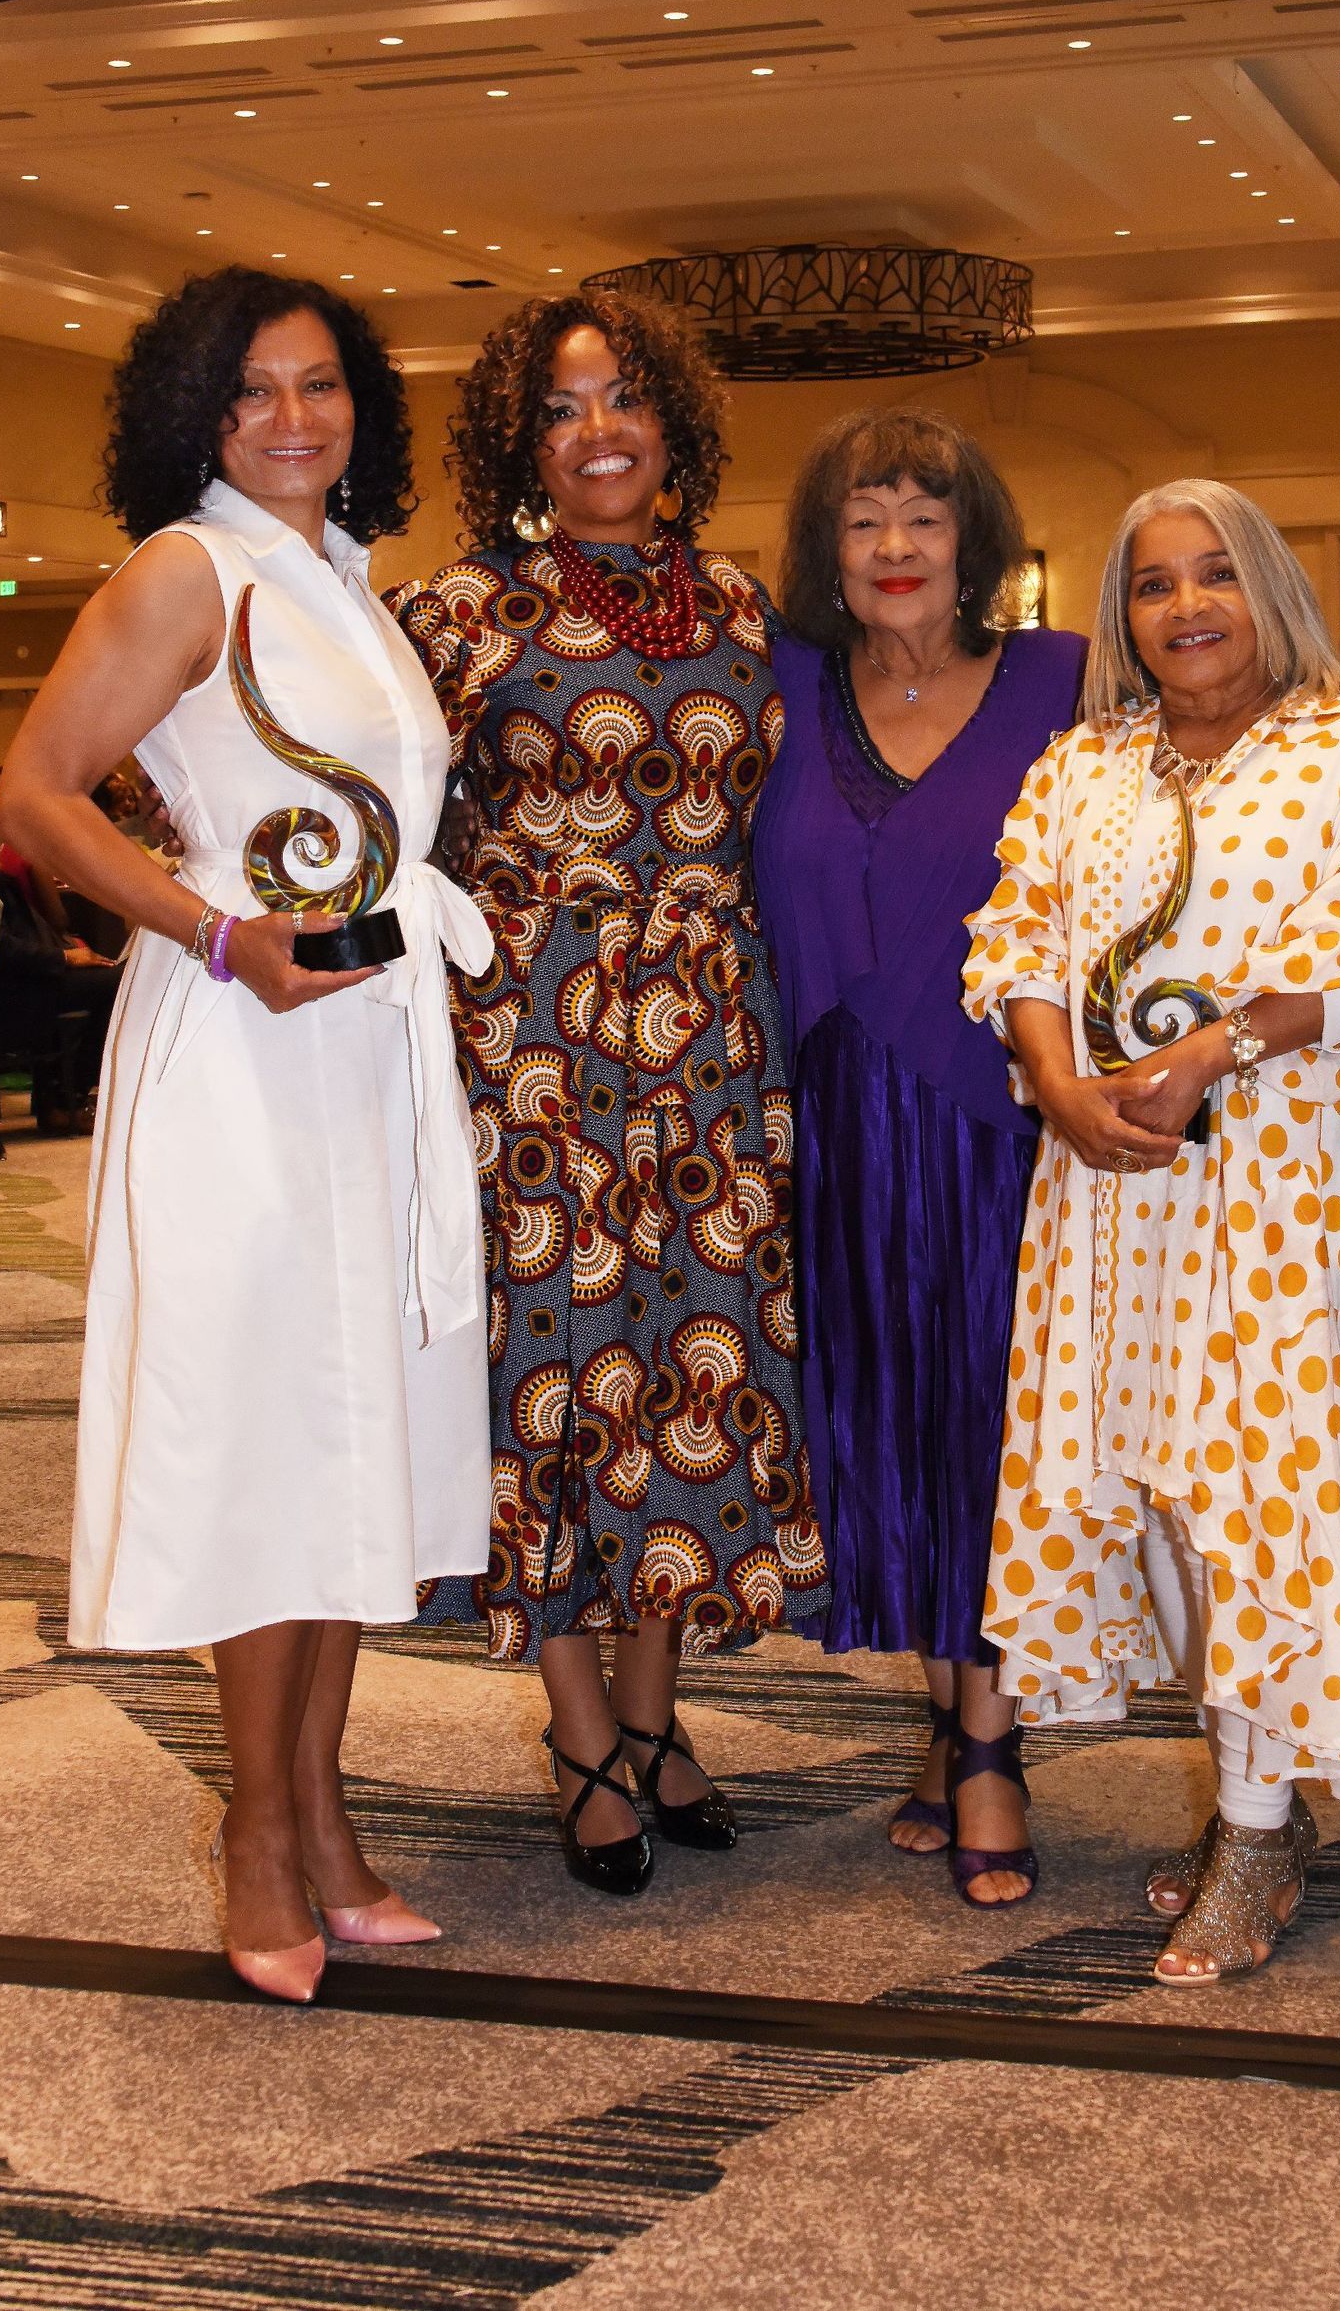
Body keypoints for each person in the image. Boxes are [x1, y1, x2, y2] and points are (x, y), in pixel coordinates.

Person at [0, 266, 490, 2004]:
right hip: (244, 1050)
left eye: (323, 384)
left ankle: (327, 1815)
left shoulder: (341, 574)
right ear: (197, 417)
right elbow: (36, 791)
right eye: (255, 393)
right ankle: (256, 1836)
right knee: (275, 1437)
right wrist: (214, 933)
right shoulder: (184, 566)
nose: (295, 417)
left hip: (363, 1044)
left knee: (360, 1435)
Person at [963, 478, 1340, 1984]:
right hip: (1108, 1186)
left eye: (1216, 578)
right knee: (1155, 1494)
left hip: (1280, 1178)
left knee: (1255, 1495)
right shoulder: (1083, 758)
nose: (1185, 608)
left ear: (1271, 593)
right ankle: (1263, 1794)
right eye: (1152, 584)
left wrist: (1201, 1057)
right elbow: (1017, 934)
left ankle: (1256, 1827)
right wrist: (1057, 1082)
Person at [394, 290, 827, 1897]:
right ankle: (580, 1730)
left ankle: (658, 1714)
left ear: (676, 425)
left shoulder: (734, 596)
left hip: (714, 1039)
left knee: (690, 1372)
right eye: (566, 406)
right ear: (523, 438)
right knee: (562, 1377)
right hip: (540, 1047)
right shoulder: (457, 612)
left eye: (627, 396)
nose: (600, 430)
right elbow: (374, 815)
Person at [754, 410, 1085, 1908]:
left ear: (978, 537)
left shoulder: (1067, 681)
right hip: (833, 1123)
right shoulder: (784, 684)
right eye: (863, 519)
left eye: (924, 517)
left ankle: (994, 1741)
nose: (894, 548)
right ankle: (952, 1707)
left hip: (1004, 1121)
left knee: (992, 1418)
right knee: (880, 1419)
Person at [0, 771, 120, 1119]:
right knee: (116, 984)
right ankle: (63, 1098)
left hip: (10, 985)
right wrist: (64, 957)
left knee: (104, 976)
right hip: (2, 999)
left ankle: (57, 1096)